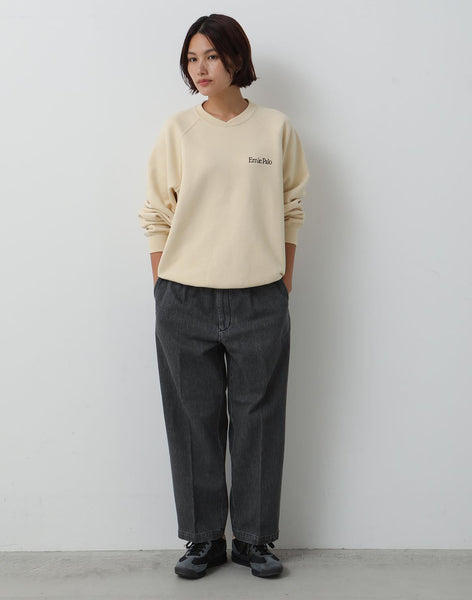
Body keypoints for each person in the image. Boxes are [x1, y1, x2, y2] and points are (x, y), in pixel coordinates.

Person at [138, 13, 309, 579]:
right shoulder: (178, 130)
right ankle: (204, 538)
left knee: (259, 419)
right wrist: (164, 285)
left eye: (211, 55)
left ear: (237, 58)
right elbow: (156, 213)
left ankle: (255, 539)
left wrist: (283, 279)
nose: (200, 68)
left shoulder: (275, 128)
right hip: (184, 298)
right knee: (192, 420)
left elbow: (291, 207)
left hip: (260, 298)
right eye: (192, 58)